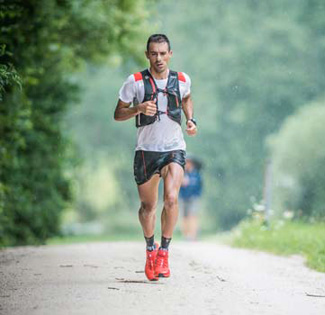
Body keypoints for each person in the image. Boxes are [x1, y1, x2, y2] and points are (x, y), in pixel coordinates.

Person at [114, 34, 197, 281]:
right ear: (147, 54)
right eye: (154, 53)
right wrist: (138, 108)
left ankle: (164, 252)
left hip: (174, 148)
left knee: (171, 199)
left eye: (163, 53)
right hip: (146, 151)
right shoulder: (135, 82)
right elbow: (117, 113)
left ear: (170, 53)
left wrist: (191, 120)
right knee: (148, 207)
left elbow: (186, 98)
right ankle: (150, 249)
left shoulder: (182, 79)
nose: (158, 58)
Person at [179, 157, 203, 241]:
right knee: (184, 216)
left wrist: (188, 184)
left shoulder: (196, 174)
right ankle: (186, 235)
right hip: (184, 197)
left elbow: (198, 186)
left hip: (193, 198)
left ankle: (193, 236)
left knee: (193, 216)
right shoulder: (183, 174)